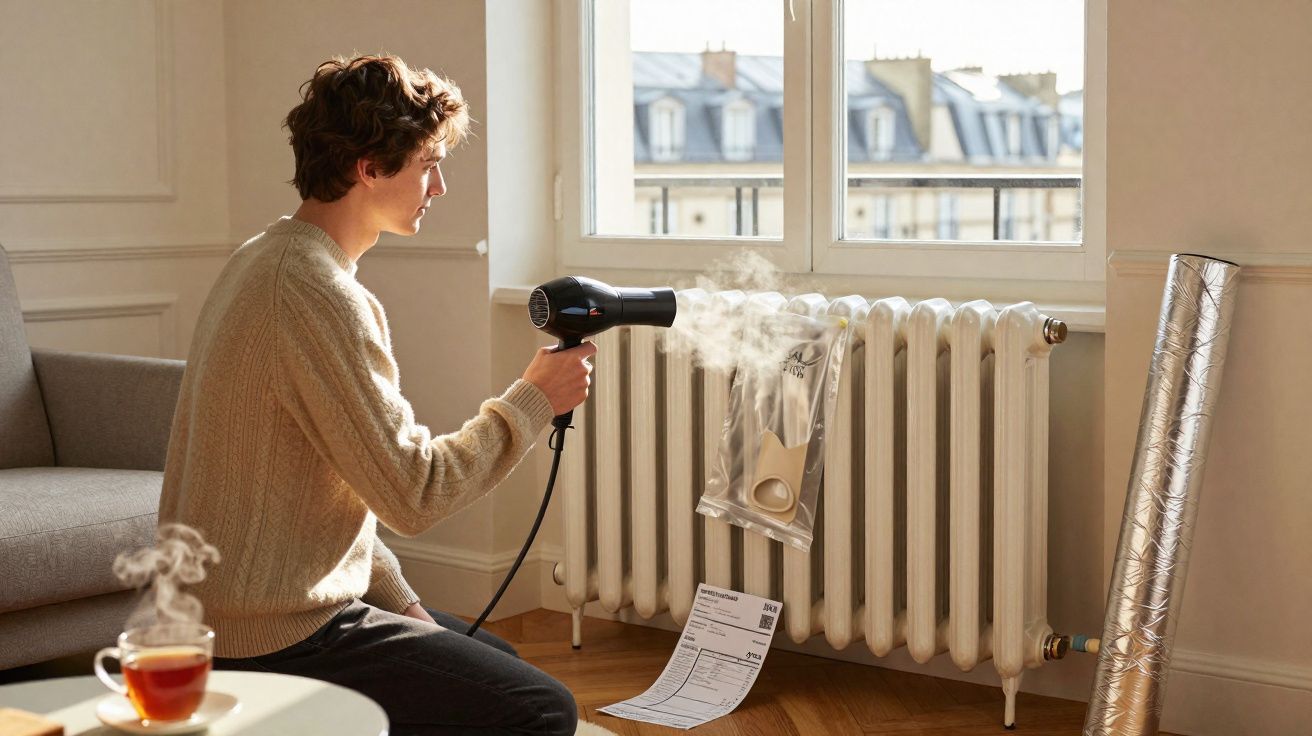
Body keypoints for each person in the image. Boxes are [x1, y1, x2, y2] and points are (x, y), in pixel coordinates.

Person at [158, 54, 593, 735]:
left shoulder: (270, 261)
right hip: (272, 638)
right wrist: (533, 399)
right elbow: (414, 492)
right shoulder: (312, 292)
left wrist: (406, 606)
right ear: (368, 165)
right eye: (427, 162)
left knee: (496, 659)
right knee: (539, 709)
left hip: (247, 613)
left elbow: (342, 495)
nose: (439, 185)